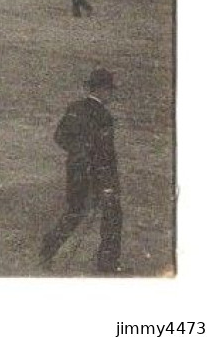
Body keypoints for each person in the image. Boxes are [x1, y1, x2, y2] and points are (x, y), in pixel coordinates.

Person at [39, 68, 123, 274]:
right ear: (102, 90)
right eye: (110, 91)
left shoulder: (74, 107)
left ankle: (48, 249)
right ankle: (107, 264)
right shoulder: (104, 116)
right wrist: (110, 185)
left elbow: (60, 137)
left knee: (75, 213)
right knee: (113, 215)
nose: (111, 95)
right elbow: (105, 155)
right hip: (96, 175)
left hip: (75, 170)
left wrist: (79, 151)